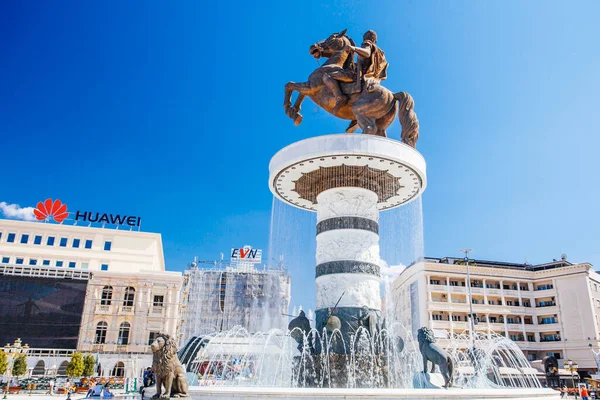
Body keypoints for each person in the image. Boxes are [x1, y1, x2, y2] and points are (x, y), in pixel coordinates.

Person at [351, 30, 388, 94]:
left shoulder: (367, 43)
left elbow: (367, 53)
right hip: (374, 77)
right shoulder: (381, 53)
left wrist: (353, 48)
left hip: (362, 73)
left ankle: (357, 86)